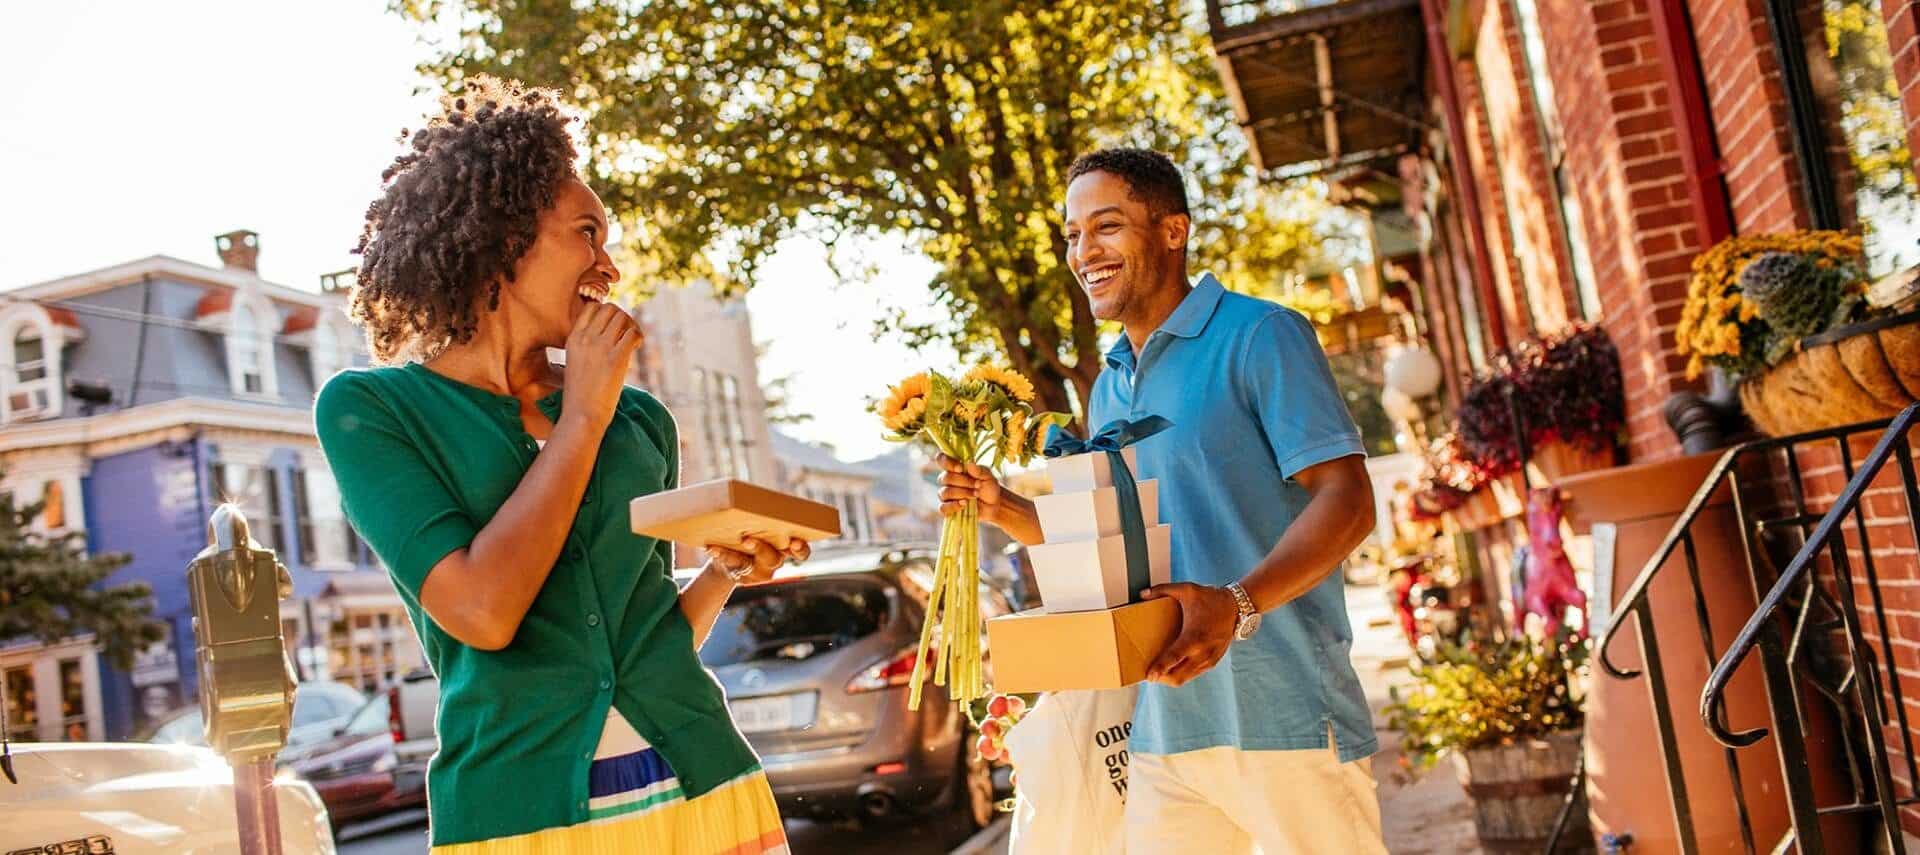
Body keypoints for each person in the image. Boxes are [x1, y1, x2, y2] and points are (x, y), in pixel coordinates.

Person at [314, 77, 803, 855]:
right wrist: (580, 418)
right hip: (520, 819)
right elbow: (481, 610)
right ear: (503, 237)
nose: (607, 265)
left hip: (709, 790)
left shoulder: (639, 418)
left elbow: (639, 635)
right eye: (587, 232)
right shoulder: (373, 413)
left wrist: (722, 573)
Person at [939, 148, 1388, 853]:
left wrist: (1236, 602)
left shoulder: (1260, 334)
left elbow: (1349, 501)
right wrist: (1007, 510)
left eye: (1107, 226)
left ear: (1172, 231)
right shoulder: (1110, 384)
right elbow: (1121, 540)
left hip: (1287, 715)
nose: (1084, 250)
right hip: (1166, 724)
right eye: (1072, 234)